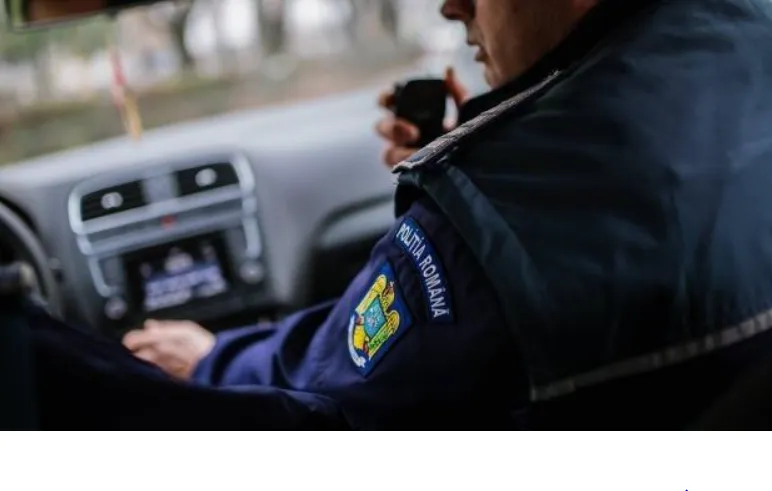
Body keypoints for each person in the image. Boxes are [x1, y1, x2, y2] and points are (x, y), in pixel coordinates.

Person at [25, 0, 772, 429]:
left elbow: (329, 410)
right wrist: (491, 141)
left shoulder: (498, 227)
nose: (451, 5)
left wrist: (207, 360)